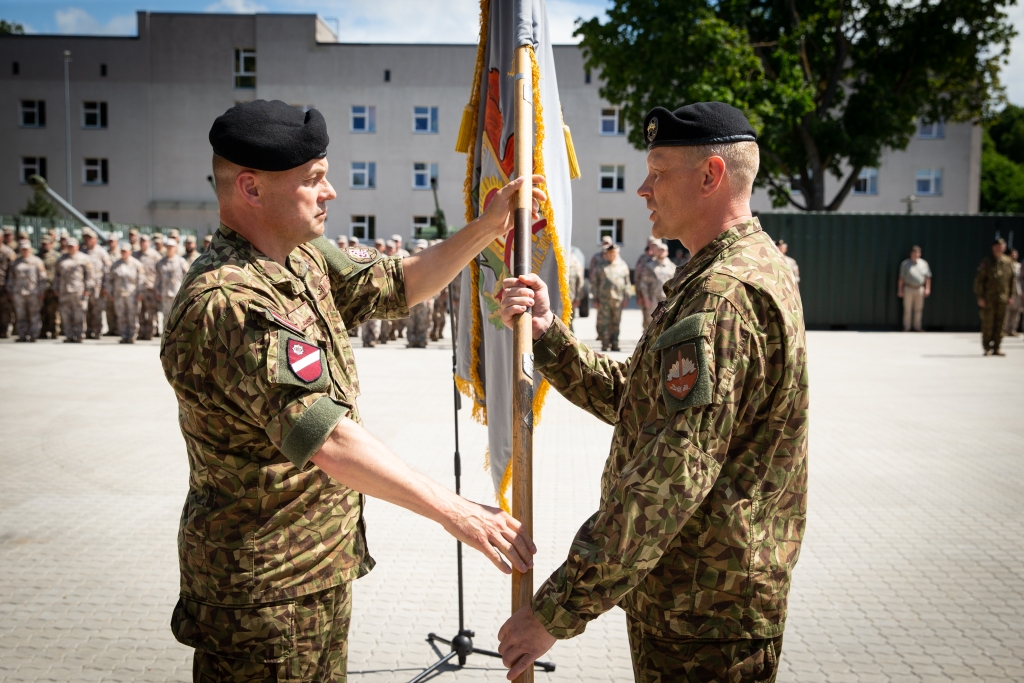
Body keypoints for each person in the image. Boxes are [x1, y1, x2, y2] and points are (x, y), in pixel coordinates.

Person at [161, 100, 544, 680]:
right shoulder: (231, 302)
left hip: (312, 570)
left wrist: (488, 229)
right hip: (264, 590)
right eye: (313, 179)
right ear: (252, 189)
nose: (330, 191)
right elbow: (329, 441)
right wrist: (457, 511)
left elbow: (402, 283)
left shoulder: (302, 258)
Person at [496, 102, 808, 682]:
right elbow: (639, 400)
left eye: (659, 171)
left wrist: (557, 610)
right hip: (697, 599)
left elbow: (670, 475)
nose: (643, 188)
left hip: (705, 615)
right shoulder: (733, 271)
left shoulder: (722, 296)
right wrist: (549, 335)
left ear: (711, 175)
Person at [974, 237, 1016, 356]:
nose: (999, 248)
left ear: (1004, 248)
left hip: (1003, 298)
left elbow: (1012, 280)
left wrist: (1011, 296)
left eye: (1001, 246)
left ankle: (997, 347)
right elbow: (979, 281)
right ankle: (987, 347)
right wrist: (980, 297)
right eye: (996, 246)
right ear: (993, 248)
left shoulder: (1008, 262)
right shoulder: (987, 262)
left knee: (1000, 324)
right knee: (988, 323)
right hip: (989, 299)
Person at [54, 237, 95, 343]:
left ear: (77, 246)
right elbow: (57, 275)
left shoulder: (84, 258)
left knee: (79, 314)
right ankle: (69, 335)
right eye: (69, 246)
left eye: (72, 246)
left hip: (78, 291)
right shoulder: (61, 259)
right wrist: (56, 287)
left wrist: (88, 288)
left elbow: (89, 275)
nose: (70, 248)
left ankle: (80, 335)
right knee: (65, 314)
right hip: (64, 291)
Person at [593, 242, 632, 352]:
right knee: (604, 322)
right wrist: (595, 298)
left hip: (618, 300)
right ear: (607, 254)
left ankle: (615, 343)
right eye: (610, 253)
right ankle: (605, 344)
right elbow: (595, 282)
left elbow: (627, 283)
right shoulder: (601, 265)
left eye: (614, 253)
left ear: (617, 253)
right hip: (604, 300)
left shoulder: (623, 266)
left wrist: (626, 297)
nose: (612, 255)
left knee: (616, 322)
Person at [7, 240, 46, 342]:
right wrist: (10, 291)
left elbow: (42, 278)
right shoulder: (15, 262)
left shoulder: (37, 261)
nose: (24, 250)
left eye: (26, 248)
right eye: (22, 249)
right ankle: (22, 335)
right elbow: (11, 278)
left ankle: (34, 335)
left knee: (34, 315)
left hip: (34, 293)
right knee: (20, 315)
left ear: (30, 249)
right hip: (19, 293)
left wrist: (42, 291)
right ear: (20, 249)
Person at [108, 242, 144, 343]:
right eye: (122, 251)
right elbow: (110, 280)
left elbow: (141, 280)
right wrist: (110, 293)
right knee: (121, 316)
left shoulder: (136, 264)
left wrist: (140, 293)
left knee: (132, 316)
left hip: (132, 295)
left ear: (130, 252)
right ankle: (124, 335)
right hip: (119, 295)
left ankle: (132, 336)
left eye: (126, 251)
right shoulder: (116, 264)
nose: (124, 253)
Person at [636, 240, 676, 327]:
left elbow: (676, 284)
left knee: (665, 323)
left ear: (667, 252)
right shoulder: (650, 266)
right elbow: (644, 284)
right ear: (656, 252)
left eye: (663, 250)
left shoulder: (672, 267)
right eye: (659, 250)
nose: (661, 252)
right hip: (653, 298)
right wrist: (646, 298)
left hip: (667, 299)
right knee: (650, 324)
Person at [81, 227, 111, 339]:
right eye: (86, 238)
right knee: (86, 310)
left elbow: (107, 271)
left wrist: (105, 287)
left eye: (90, 238)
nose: (88, 240)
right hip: (85, 288)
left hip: (98, 287)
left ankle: (97, 331)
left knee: (97, 310)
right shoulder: (82, 251)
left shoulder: (101, 252)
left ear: (95, 239)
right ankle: (88, 331)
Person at [154, 238, 188, 334]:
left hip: (178, 293)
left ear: (176, 248)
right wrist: (157, 291)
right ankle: (166, 337)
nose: (170, 248)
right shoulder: (161, 262)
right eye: (168, 246)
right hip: (165, 293)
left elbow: (187, 276)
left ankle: (177, 336)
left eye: (172, 247)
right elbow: (158, 278)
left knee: (178, 315)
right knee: (166, 316)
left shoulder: (181, 261)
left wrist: (186, 291)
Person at [897, 245, 932, 332]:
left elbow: (927, 277)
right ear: (911, 253)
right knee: (907, 309)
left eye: (918, 253)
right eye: (914, 252)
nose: (916, 254)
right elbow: (901, 278)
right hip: (908, 288)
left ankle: (917, 327)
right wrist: (900, 290)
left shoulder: (924, 264)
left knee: (918, 309)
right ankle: (907, 327)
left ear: (920, 254)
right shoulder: (905, 264)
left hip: (920, 288)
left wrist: (927, 288)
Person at [406, 239, 433, 347]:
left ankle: (422, 340)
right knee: (411, 320)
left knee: (423, 320)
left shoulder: (431, 263)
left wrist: (431, 297)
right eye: (418, 248)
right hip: (412, 296)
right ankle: (412, 340)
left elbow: (434, 281)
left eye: (422, 248)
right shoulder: (409, 261)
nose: (419, 250)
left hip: (424, 297)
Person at [134, 235, 161, 340]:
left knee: (151, 313)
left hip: (151, 289)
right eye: (141, 242)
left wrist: (157, 288)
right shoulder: (135, 255)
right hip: (138, 289)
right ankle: (141, 332)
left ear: (149, 243)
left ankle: (151, 333)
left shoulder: (155, 256)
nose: (143, 243)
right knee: (140, 312)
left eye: (145, 242)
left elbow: (159, 273)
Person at [38, 236, 61, 339]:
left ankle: (54, 331)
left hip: (52, 288)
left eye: (47, 243)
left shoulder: (57, 256)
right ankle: (43, 331)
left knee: (53, 311)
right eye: (43, 244)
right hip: (41, 289)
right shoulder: (37, 256)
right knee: (42, 311)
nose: (45, 245)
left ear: (51, 244)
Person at [634, 236, 657, 327]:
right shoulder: (643, 259)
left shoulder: (660, 258)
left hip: (657, 294)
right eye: (652, 245)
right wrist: (638, 295)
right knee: (647, 320)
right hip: (645, 293)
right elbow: (637, 278)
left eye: (655, 245)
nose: (653, 247)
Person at [104, 234, 122, 336]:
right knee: (109, 309)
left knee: (119, 310)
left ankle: (119, 329)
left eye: (113, 241)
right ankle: (111, 329)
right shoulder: (105, 253)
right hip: (109, 285)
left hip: (118, 286)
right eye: (109, 241)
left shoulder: (121, 253)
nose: (111, 243)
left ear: (117, 242)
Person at [0, 228, 15, 338]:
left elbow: (13, 271)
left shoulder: (8, 252)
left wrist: (10, 287)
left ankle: (4, 330)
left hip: (3, 286)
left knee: (5, 309)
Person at [1004, 248, 1022, 336]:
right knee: (1006, 311)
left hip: (1017, 292)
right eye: (1012, 254)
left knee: (1016, 311)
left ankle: (1012, 330)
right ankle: (1004, 330)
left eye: (1016, 254)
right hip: (1007, 292)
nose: (1014, 256)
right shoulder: (1004, 265)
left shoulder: (1019, 266)